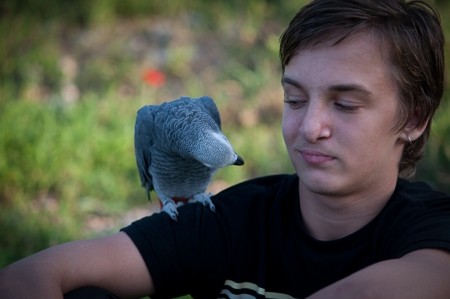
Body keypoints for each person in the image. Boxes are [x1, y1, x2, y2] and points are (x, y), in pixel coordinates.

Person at [2, 0, 450, 298]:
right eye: (294, 99)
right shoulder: (226, 221)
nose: (310, 127)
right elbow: (27, 276)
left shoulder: (434, 226)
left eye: (346, 105)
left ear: (413, 119)